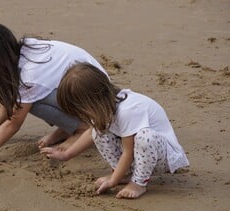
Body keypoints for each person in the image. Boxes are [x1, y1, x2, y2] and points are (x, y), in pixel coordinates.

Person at [0, 19, 107, 177]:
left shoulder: (29, 75)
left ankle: (82, 128)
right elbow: (4, 109)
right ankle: (69, 128)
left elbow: (12, 124)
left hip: (96, 103)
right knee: (22, 99)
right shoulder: (22, 50)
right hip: (86, 96)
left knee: (29, 101)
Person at [41, 62, 189, 199]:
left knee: (145, 137)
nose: (80, 116)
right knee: (97, 132)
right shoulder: (104, 108)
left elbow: (128, 151)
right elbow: (90, 133)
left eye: (80, 110)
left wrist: (112, 182)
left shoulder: (128, 110)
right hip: (140, 156)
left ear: (93, 101)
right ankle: (125, 174)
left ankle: (138, 183)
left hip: (163, 157)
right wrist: (66, 154)